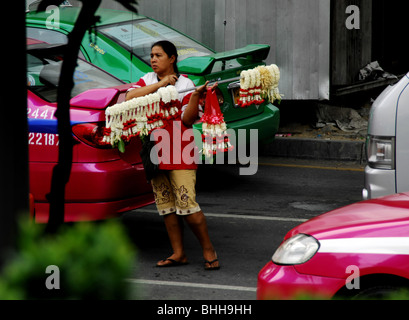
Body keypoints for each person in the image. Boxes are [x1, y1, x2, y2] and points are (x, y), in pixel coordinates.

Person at [126, 40, 220, 270]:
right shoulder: (147, 80)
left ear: (172, 58)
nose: (153, 59)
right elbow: (130, 98)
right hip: (154, 150)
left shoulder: (186, 84)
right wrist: (162, 85)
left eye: (158, 55)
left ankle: (209, 249)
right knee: (166, 205)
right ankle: (179, 253)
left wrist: (196, 96)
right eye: (151, 55)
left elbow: (187, 120)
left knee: (187, 204)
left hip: (179, 149)